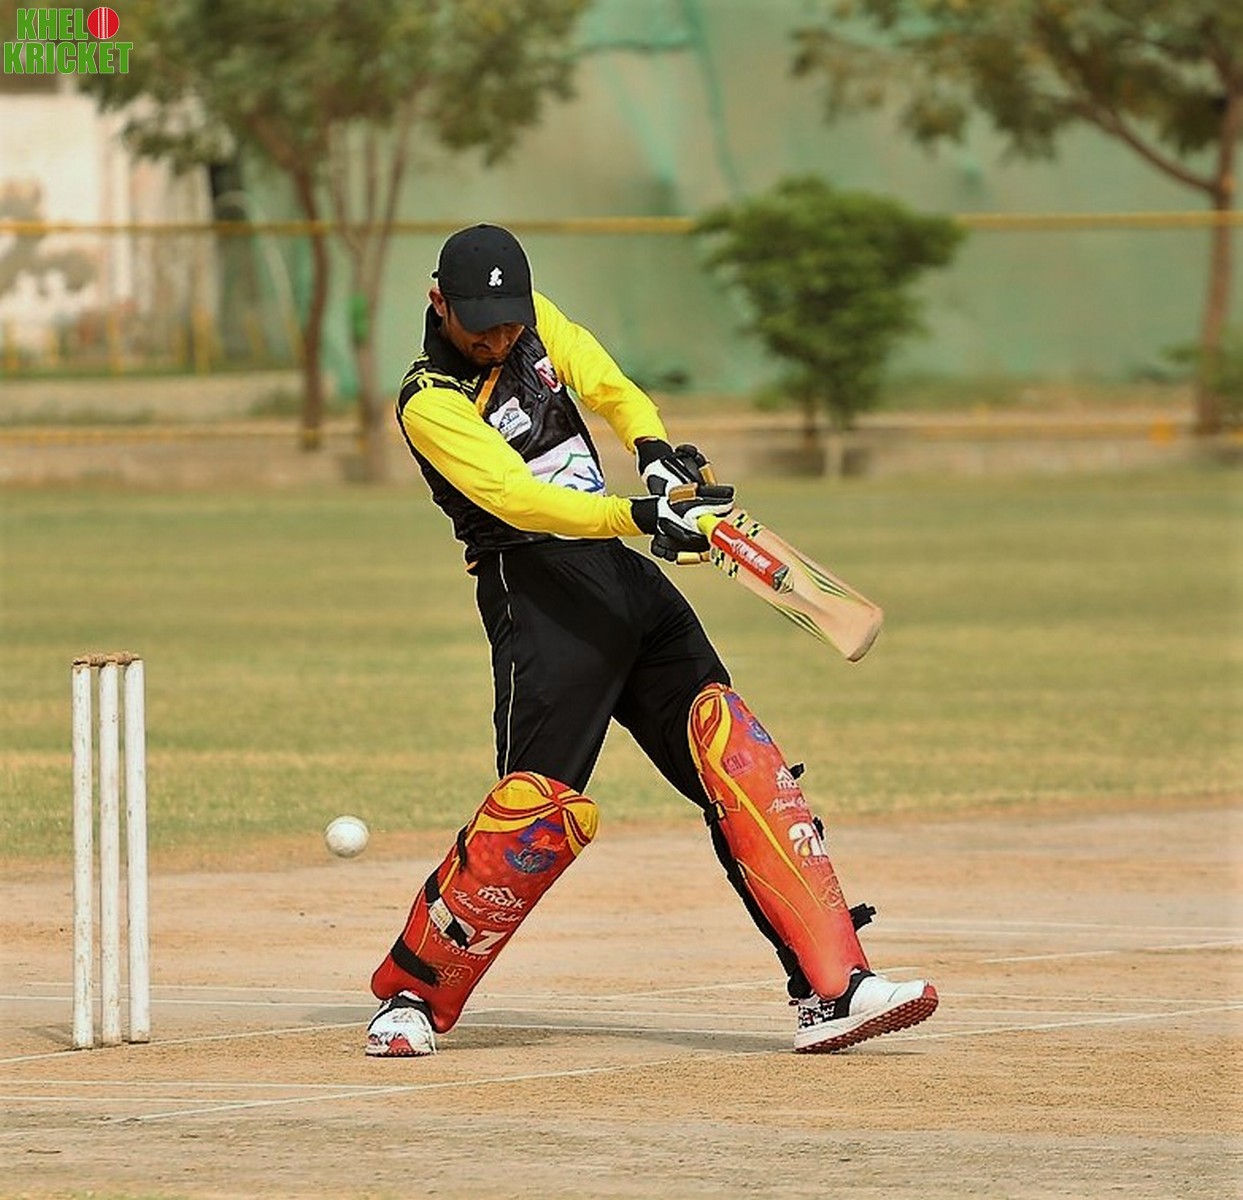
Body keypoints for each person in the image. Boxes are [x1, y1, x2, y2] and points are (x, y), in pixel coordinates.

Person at [365, 224, 938, 1058]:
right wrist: (641, 513)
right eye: (481, 325)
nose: (499, 337)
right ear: (438, 303)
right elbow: (521, 501)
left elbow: (608, 386)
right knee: (533, 814)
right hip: (539, 596)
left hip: (623, 581)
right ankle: (410, 998)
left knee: (738, 759)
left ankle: (834, 988)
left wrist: (655, 453)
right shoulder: (429, 402)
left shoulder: (534, 325)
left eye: (511, 320)